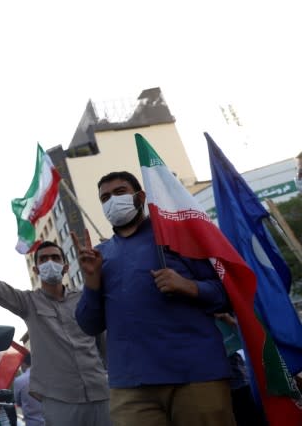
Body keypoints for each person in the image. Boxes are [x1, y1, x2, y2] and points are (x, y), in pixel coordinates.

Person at [74, 171, 235, 426]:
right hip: (131, 388)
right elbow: (88, 325)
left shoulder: (178, 235)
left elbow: (228, 294)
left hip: (196, 376)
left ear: (140, 197)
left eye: (119, 193)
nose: (112, 201)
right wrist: (92, 284)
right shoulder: (99, 256)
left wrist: (189, 286)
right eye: (105, 198)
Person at [0, 226, 110, 426]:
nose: (50, 262)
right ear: (36, 269)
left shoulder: (84, 299)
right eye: (43, 259)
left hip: (101, 392)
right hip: (59, 400)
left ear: (66, 267)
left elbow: (101, 340)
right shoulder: (28, 302)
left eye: (56, 258)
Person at [14, 354, 46, 426]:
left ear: (23, 364)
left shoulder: (19, 381)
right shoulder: (47, 375)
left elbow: (18, 402)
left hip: (33, 423)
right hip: (53, 421)